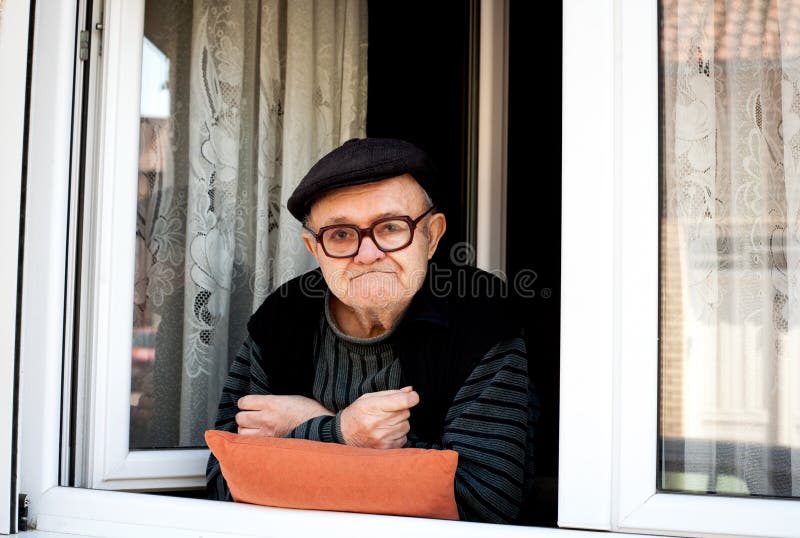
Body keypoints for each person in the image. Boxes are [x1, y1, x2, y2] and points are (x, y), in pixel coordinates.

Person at [206, 138, 539, 523]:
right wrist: (341, 431)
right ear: (314, 250)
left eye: (392, 227)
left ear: (432, 236)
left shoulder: (481, 319)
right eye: (341, 234)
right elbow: (224, 482)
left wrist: (312, 427)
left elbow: (482, 500)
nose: (367, 255)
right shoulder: (283, 317)